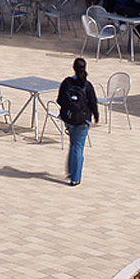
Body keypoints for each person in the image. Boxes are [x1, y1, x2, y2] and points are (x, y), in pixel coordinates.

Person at [56, 56, 99, 185]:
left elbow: (59, 100)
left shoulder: (67, 82)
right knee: (78, 146)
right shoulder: (87, 85)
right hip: (82, 120)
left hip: (69, 119)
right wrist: (96, 116)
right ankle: (75, 178)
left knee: (73, 144)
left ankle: (70, 171)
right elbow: (93, 103)